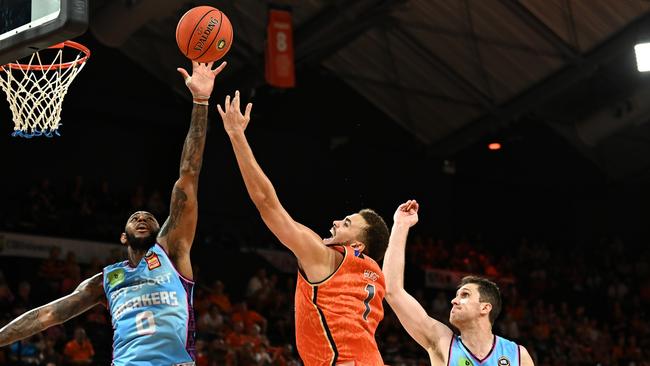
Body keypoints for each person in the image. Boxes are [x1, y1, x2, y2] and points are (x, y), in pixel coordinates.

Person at [0, 60, 227, 365]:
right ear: (123, 237)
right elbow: (48, 315)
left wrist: (200, 101)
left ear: (163, 230)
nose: (143, 218)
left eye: (150, 217)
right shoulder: (105, 280)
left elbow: (189, 174)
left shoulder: (172, 251)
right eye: (135, 218)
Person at [217, 91, 390, 365]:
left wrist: (237, 135)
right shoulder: (377, 275)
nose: (335, 222)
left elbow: (267, 204)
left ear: (357, 246)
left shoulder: (326, 256)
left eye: (347, 223)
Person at [382, 200, 535, 366]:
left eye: (465, 295)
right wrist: (400, 225)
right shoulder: (443, 342)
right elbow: (392, 291)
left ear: (485, 307)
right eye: (457, 295)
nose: (454, 301)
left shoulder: (518, 356)